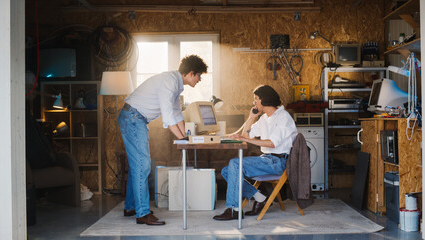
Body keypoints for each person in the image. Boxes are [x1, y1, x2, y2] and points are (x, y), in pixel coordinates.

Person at [118, 55, 208, 225]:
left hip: (136, 119)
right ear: (190, 73)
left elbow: (176, 113)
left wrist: (185, 136)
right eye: (199, 75)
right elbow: (167, 117)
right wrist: (182, 138)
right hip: (133, 118)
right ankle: (142, 214)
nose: (200, 79)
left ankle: (131, 206)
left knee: (137, 165)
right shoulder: (169, 83)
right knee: (143, 166)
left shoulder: (175, 84)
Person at [213, 85, 298, 221]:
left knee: (234, 164)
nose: (254, 102)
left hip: (278, 162)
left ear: (264, 100)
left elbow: (272, 143)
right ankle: (260, 197)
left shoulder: (283, 117)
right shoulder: (264, 118)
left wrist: (248, 140)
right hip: (267, 159)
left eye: (256, 99)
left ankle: (234, 209)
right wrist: (251, 117)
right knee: (226, 171)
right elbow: (246, 135)